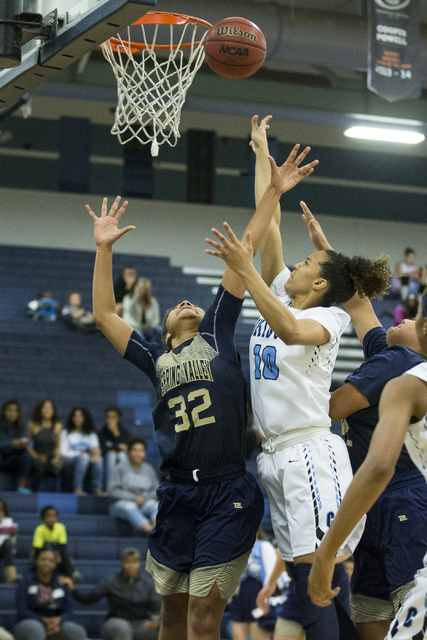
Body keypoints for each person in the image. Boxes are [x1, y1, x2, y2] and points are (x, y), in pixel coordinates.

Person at [86, 134, 318, 640]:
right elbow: (104, 314)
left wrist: (273, 191)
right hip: (176, 492)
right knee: (170, 616)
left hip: (227, 487)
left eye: (193, 301)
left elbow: (247, 249)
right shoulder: (154, 355)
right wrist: (104, 249)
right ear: (167, 328)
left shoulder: (216, 327)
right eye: (178, 306)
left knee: (202, 616)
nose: (188, 303)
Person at [205, 115, 390, 640]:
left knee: (316, 578)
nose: (296, 265)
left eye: (308, 261)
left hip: (310, 452)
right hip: (276, 453)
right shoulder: (287, 289)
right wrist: (265, 161)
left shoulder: (325, 319)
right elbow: (272, 237)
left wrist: (245, 270)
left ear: (322, 281)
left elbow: (286, 329)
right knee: (311, 579)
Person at [303, 202, 427, 639]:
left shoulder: (403, 360)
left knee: (409, 618)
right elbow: (358, 304)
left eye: (413, 318)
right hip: (373, 503)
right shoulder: (387, 354)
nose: (403, 317)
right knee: (369, 617)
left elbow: (333, 407)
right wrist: (328, 253)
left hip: (402, 499)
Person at [70, 547, 161, 640]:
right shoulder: (111, 581)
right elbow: (87, 599)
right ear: (122, 563)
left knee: (160, 628)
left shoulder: (148, 584)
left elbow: (157, 606)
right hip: (115, 622)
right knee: (123, 628)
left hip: (140, 623)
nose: (131, 566)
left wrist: (156, 619)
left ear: (139, 564)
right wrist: (72, 589)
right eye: (128, 562)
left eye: (134, 562)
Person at [14, 548, 87, 640]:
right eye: (43, 559)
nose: (46, 563)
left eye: (50, 560)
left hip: (57, 622)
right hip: (30, 622)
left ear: (55, 564)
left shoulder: (61, 582)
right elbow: (22, 611)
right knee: (37, 630)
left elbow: (70, 612)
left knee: (77, 631)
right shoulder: (25, 582)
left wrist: (58, 620)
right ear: (36, 561)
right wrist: (43, 620)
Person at [228, 528, 277, 640]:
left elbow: (271, 575)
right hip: (238, 598)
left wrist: (267, 599)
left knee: (259, 635)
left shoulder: (264, 546)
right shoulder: (234, 549)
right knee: (237, 636)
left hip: (257, 596)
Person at [107, 438, 159, 535]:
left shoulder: (149, 469)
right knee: (130, 507)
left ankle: (158, 530)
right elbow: (112, 491)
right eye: (135, 450)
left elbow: (156, 490)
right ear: (128, 452)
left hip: (144, 503)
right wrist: (134, 498)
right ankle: (149, 530)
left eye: (141, 451)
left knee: (157, 506)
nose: (138, 454)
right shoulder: (120, 468)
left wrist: (143, 498)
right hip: (121, 504)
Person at [60, 407, 104, 496]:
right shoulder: (66, 433)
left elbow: (96, 449)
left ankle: (97, 489)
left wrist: (95, 455)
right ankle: (78, 488)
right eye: (75, 416)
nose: (77, 418)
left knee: (99, 459)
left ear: (85, 418)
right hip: (69, 460)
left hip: (85, 459)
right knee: (83, 457)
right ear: (72, 418)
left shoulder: (91, 434)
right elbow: (63, 452)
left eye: (80, 416)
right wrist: (82, 454)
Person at [32, 506, 78, 582]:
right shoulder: (39, 529)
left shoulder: (61, 527)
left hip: (57, 554)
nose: (51, 518)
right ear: (43, 519)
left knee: (63, 555)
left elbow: (62, 546)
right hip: (43, 553)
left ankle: (71, 575)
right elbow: (38, 548)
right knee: (40, 557)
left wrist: (55, 555)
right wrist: (49, 555)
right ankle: (34, 576)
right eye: (49, 516)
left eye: (54, 516)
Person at [27, 400, 62, 492]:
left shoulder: (57, 426)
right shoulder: (32, 425)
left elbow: (57, 447)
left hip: (50, 456)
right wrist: (37, 456)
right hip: (37, 456)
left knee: (64, 468)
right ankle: (35, 493)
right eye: (45, 407)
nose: (47, 410)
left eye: (50, 408)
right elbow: (27, 445)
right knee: (39, 468)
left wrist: (56, 459)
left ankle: (63, 495)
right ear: (40, 410)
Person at [0, 400, 32, 494]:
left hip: (14, 458)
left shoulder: (22, 426)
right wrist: (11, 443)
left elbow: (23, 441)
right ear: (4, 412)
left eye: (15, 411)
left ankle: (21, 486)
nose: (12, 413)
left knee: (26, 455)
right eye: (10, 410)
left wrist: (22, 443)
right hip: (2, 457)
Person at [98, 407, 130, 487]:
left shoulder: (124, 432)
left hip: (122, 458)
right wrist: (118, 446)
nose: (110, 420)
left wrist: (116, 434)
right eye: (108, 417)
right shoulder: (101, 433)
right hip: (106, 460)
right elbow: (102, 449)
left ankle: (125, 486)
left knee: (121, 455)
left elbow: (127, 448)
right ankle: (110, 487)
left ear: (118, 419)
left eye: (113, 417)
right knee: (111, 455)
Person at [122, 278, 161, 344]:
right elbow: (129, 309)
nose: (141, 290)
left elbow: (156, 318)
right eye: (139, 287)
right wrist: (136, 296)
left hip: (147, 329)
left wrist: (153, 326)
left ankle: (156, 350)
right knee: (139, 336)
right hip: (132, 327)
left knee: (160, 330)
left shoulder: (153, 301)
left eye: (144, 288)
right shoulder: (128, 298)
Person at [0, 497, 20, 583]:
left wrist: (12, 535)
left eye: (1, 510)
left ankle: (11, 575)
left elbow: (12, 541)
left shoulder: (8, 521)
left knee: (7, 544)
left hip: (3, 550)